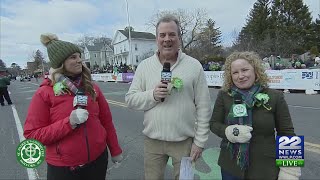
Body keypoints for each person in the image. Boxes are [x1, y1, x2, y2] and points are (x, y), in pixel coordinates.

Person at [23, 33, 123, 180]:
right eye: (73, 57)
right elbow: (32, 135)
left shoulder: (91, 87)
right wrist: (69, 123)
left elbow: (106, 122)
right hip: (64, 168)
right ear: (61, 63)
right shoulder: (45, 93)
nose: (79, 61)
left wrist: (115, 150)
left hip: (97, 162)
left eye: (79, 56)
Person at [125, 14, 212, 180]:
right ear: (156, 39)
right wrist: (153, 95)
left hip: (184, 142)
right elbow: (130, 100)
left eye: (172, 34)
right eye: (162, 35)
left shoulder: (194, 66)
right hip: (153, 143)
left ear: (179, 38)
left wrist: (199, 142)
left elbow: (204, 107)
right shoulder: (144, 66)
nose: (167, 39)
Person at [209, 51, 301, 180]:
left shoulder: (275, 96)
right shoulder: (224, 95)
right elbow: (214, 124)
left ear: (255, 71)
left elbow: (287, 133)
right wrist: (231, 132)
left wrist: (290, 170)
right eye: (235, 72)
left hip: (265, 168)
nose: (240, 76)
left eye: (245, 70)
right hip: (231, 167)